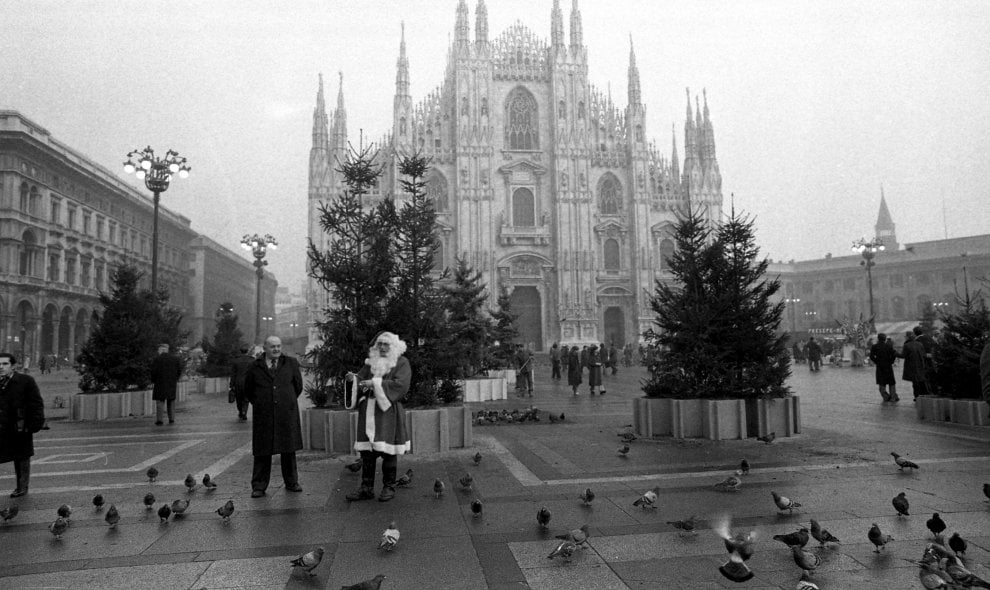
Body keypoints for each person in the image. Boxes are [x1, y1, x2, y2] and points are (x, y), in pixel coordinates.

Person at [345, 331, 411, 503]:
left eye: (385, 344)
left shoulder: (402, 362)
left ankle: (388, 487)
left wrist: (374, 384)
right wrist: (352, 379)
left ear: (393, 346)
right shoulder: (371, 363)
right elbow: (360, 379)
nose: (382, 347)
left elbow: (401, 385)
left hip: (388, 412)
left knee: (388, 451)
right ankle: (366, 488)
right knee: (367, 452)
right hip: (368, 411)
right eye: (379, 344)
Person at [243, 336, 304, 497]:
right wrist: (261, 403)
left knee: (288, 449)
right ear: (265, 348)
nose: (276, 349)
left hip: (286, 413)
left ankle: (292, 482)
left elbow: (298, 386)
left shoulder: (290, 363)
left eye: (278, 346)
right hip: (264, 414)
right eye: (272, 347)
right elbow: (248, 389)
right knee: (262, 450)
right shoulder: (255, 366)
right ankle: (259, 486)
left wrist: (286, 400)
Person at [0, 353, 45, 498]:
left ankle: (21, 487)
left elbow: (36, 404)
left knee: (22, 458)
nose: (1, 367)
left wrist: (34, 425)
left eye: (5, 364)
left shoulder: (25, 381)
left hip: (19, 427)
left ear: (13, 366)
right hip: (2, 426)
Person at [150, 343, 183, 426]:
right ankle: (171, 419)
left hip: (159, 383)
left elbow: (153, 372)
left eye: (158, 350)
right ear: (167, 350)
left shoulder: (157, 359)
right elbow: (179, 371)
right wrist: (175, 379)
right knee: (171, 401)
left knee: (160, 402)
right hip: (171, 383)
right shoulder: (175, 359)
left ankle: (159, 420)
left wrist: (153, 380)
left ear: (161, 350)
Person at [868, 333, 899, 402]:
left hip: (880, 366)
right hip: (888, 365)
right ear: (885, 339)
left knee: (881, 382)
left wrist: (876, 362)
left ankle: (885, 396)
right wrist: (891, 361)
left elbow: (871, 356)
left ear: (878, 338)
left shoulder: (875, 346)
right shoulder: (889, 346)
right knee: (891, 382)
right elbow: (894, 354)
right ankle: (893, 397)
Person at [228, 345, 256, 421]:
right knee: (246, 398)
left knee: (239, 398)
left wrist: (231, 385)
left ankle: (241, 411)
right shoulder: (252, 360)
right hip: (248, 382)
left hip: (238, 382)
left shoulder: (236, 361)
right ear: (247, 351)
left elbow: (233, 374)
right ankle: (244, 412)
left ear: (240, 351)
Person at [899, 331, 928, 401]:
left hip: (911, 365)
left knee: (915, 382)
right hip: (920, 364)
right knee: (921, 380)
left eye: (905, 336)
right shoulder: (920, 344)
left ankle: (917, 396)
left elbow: (903, 355)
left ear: (907, 337)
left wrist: (894, 353)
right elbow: (924, 354)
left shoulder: (907, 345)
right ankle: (924, 394)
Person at [913, 326, 937, 395]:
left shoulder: (917, 340)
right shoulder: (929, 337)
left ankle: (926, 392)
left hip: (923, 362)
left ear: (914, 333)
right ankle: (933, 391)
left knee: (924, 378)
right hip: (932, 360)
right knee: (932, 376)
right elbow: (935, 346)